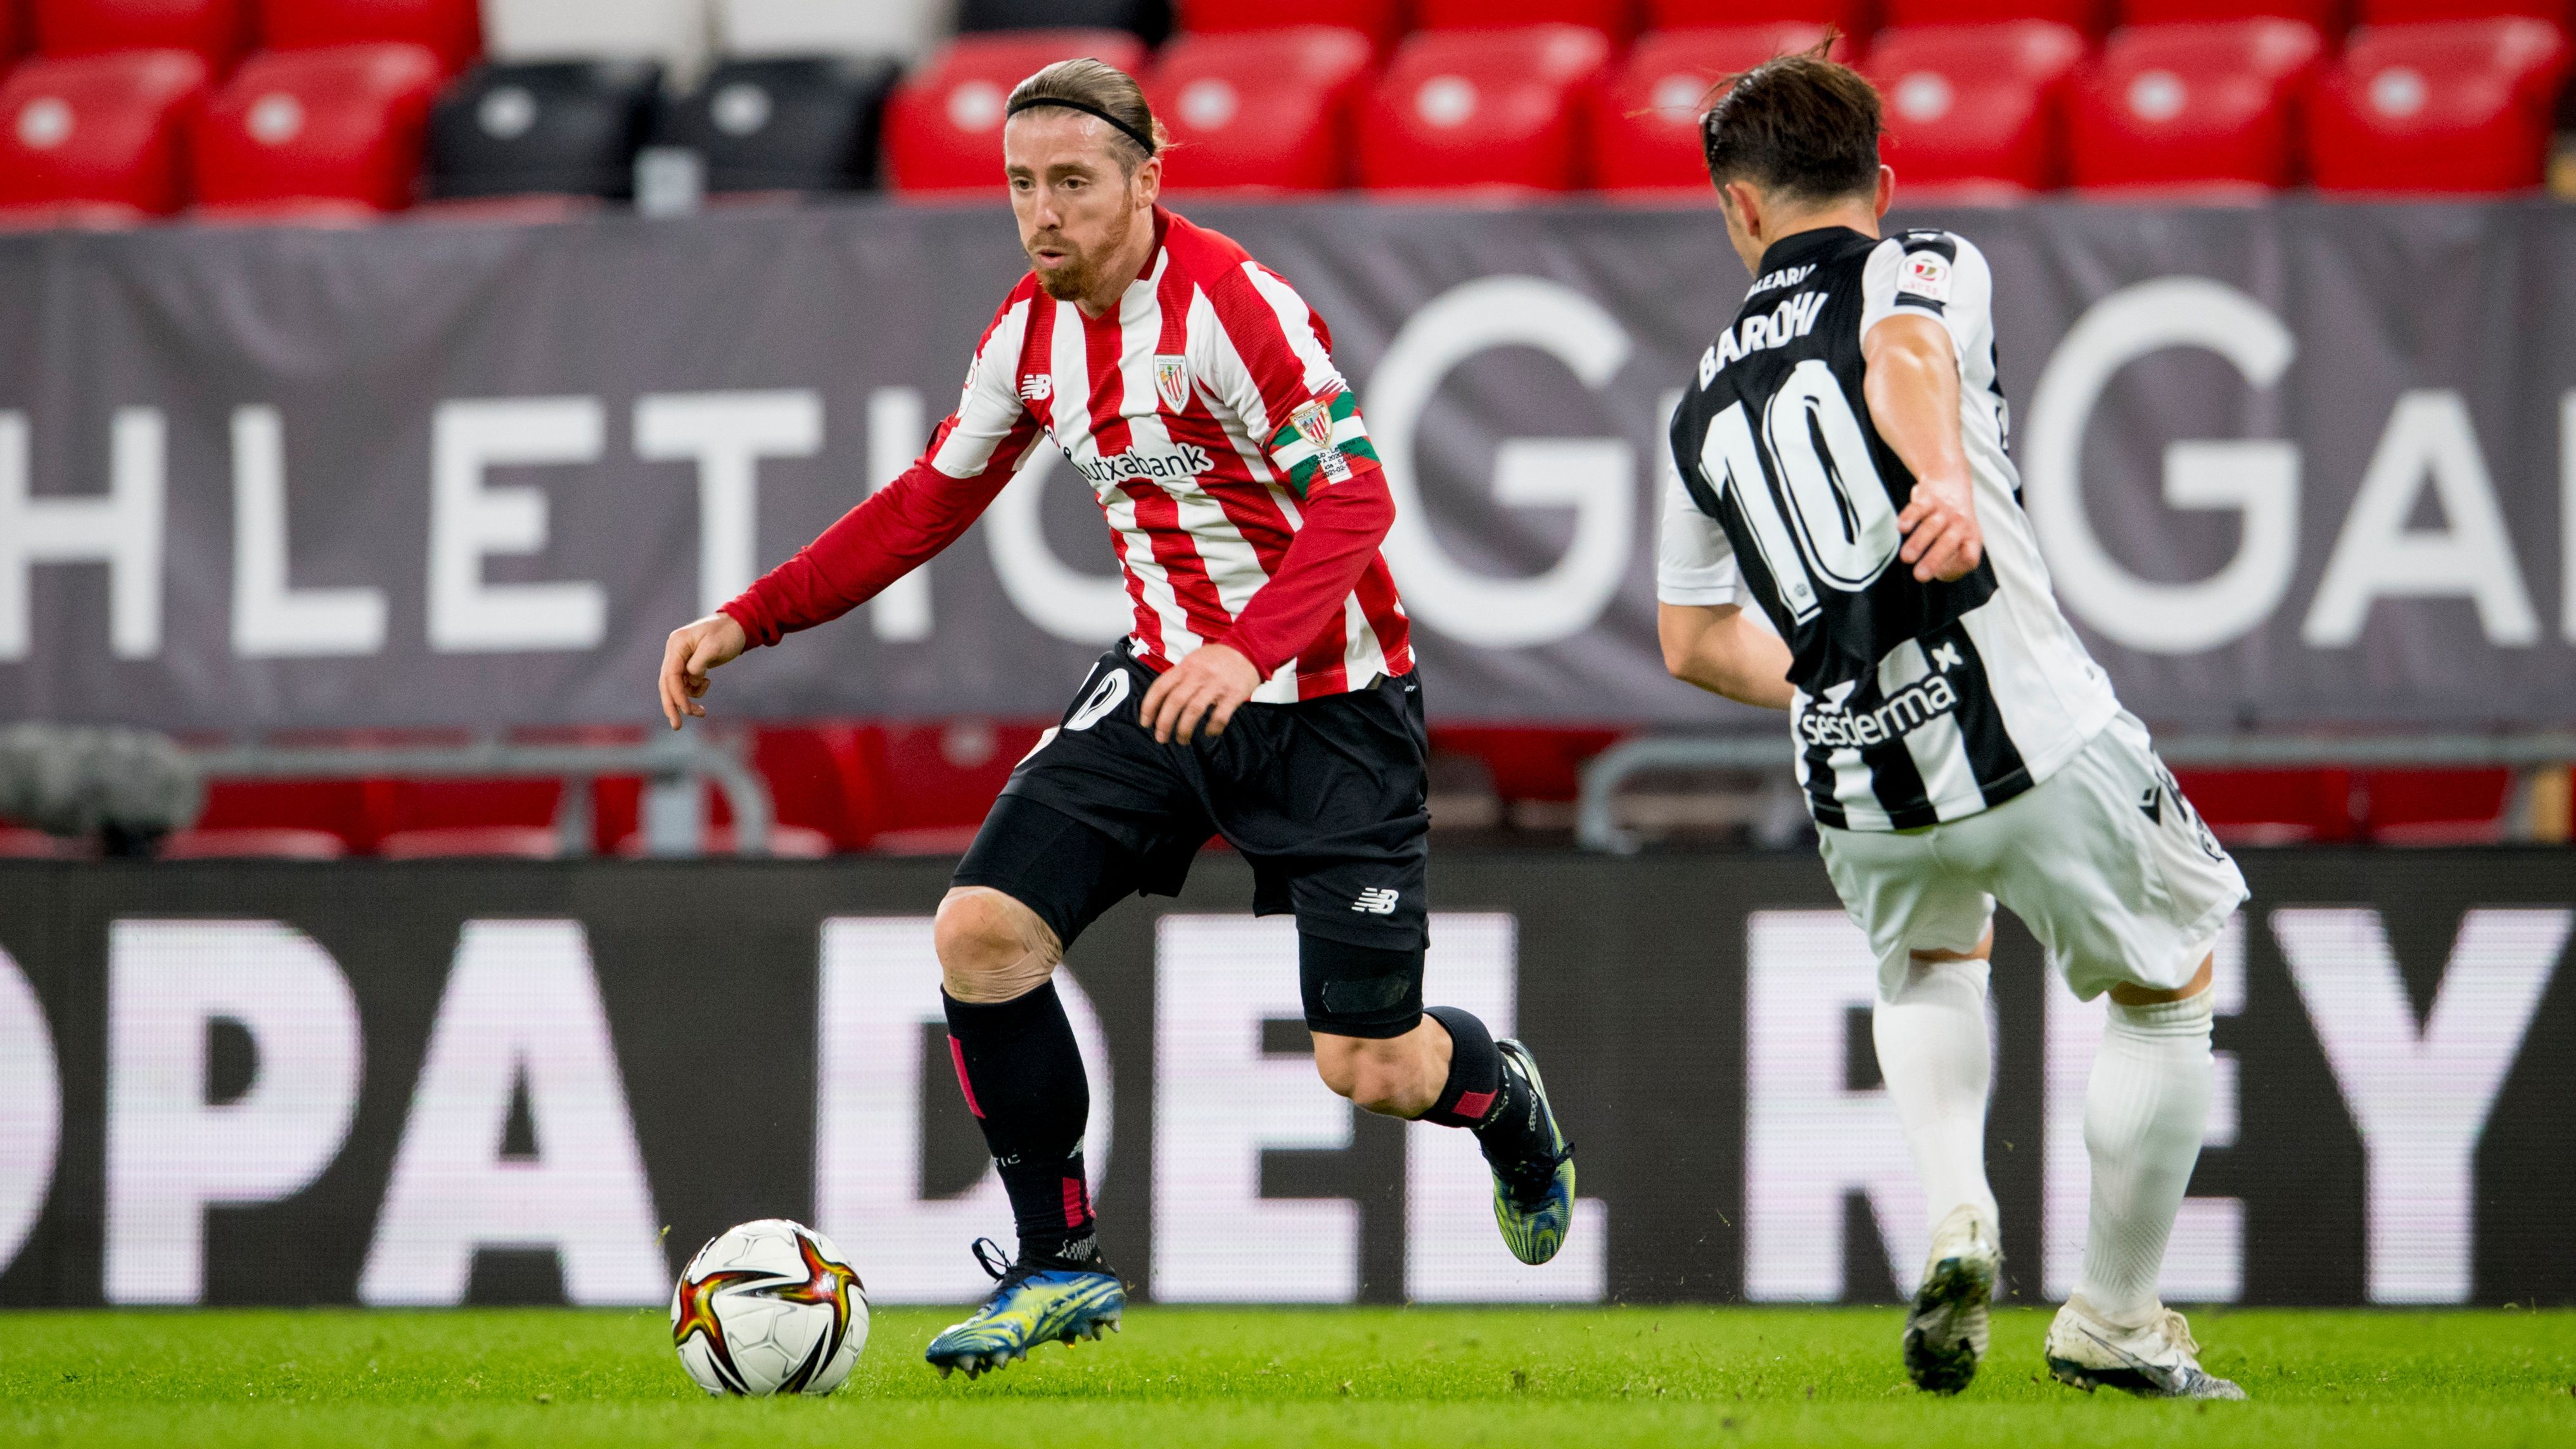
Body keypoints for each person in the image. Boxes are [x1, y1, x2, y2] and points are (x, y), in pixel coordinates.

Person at [655, 57, 1577, 1379]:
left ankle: (1506, 1102)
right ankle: (1057, 1265)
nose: (1043, 213)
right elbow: (928, 500)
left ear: (1147, 181)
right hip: (1160, 690)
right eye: (1022, 184)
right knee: (980, 934)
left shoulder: (1232, 307)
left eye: (1073, 182)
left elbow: (1355, 504)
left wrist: (1248, 650)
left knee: (1366, 1065)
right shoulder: (1026, 334)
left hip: (1329, 710)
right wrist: (751, 616)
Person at [1659, 45, 2250, 1400]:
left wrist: (1826, 679)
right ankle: (2112, 1315)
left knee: (1929, 957)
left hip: (1853, 771)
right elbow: (1906, 349)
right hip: (2024, 718)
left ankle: (1955, 1213)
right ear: (1879, 179)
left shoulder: (1694, 401)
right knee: (2164, 989)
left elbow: (1688, 641)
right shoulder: (1915, 260)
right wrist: (1941, 482)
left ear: (1738, 210)